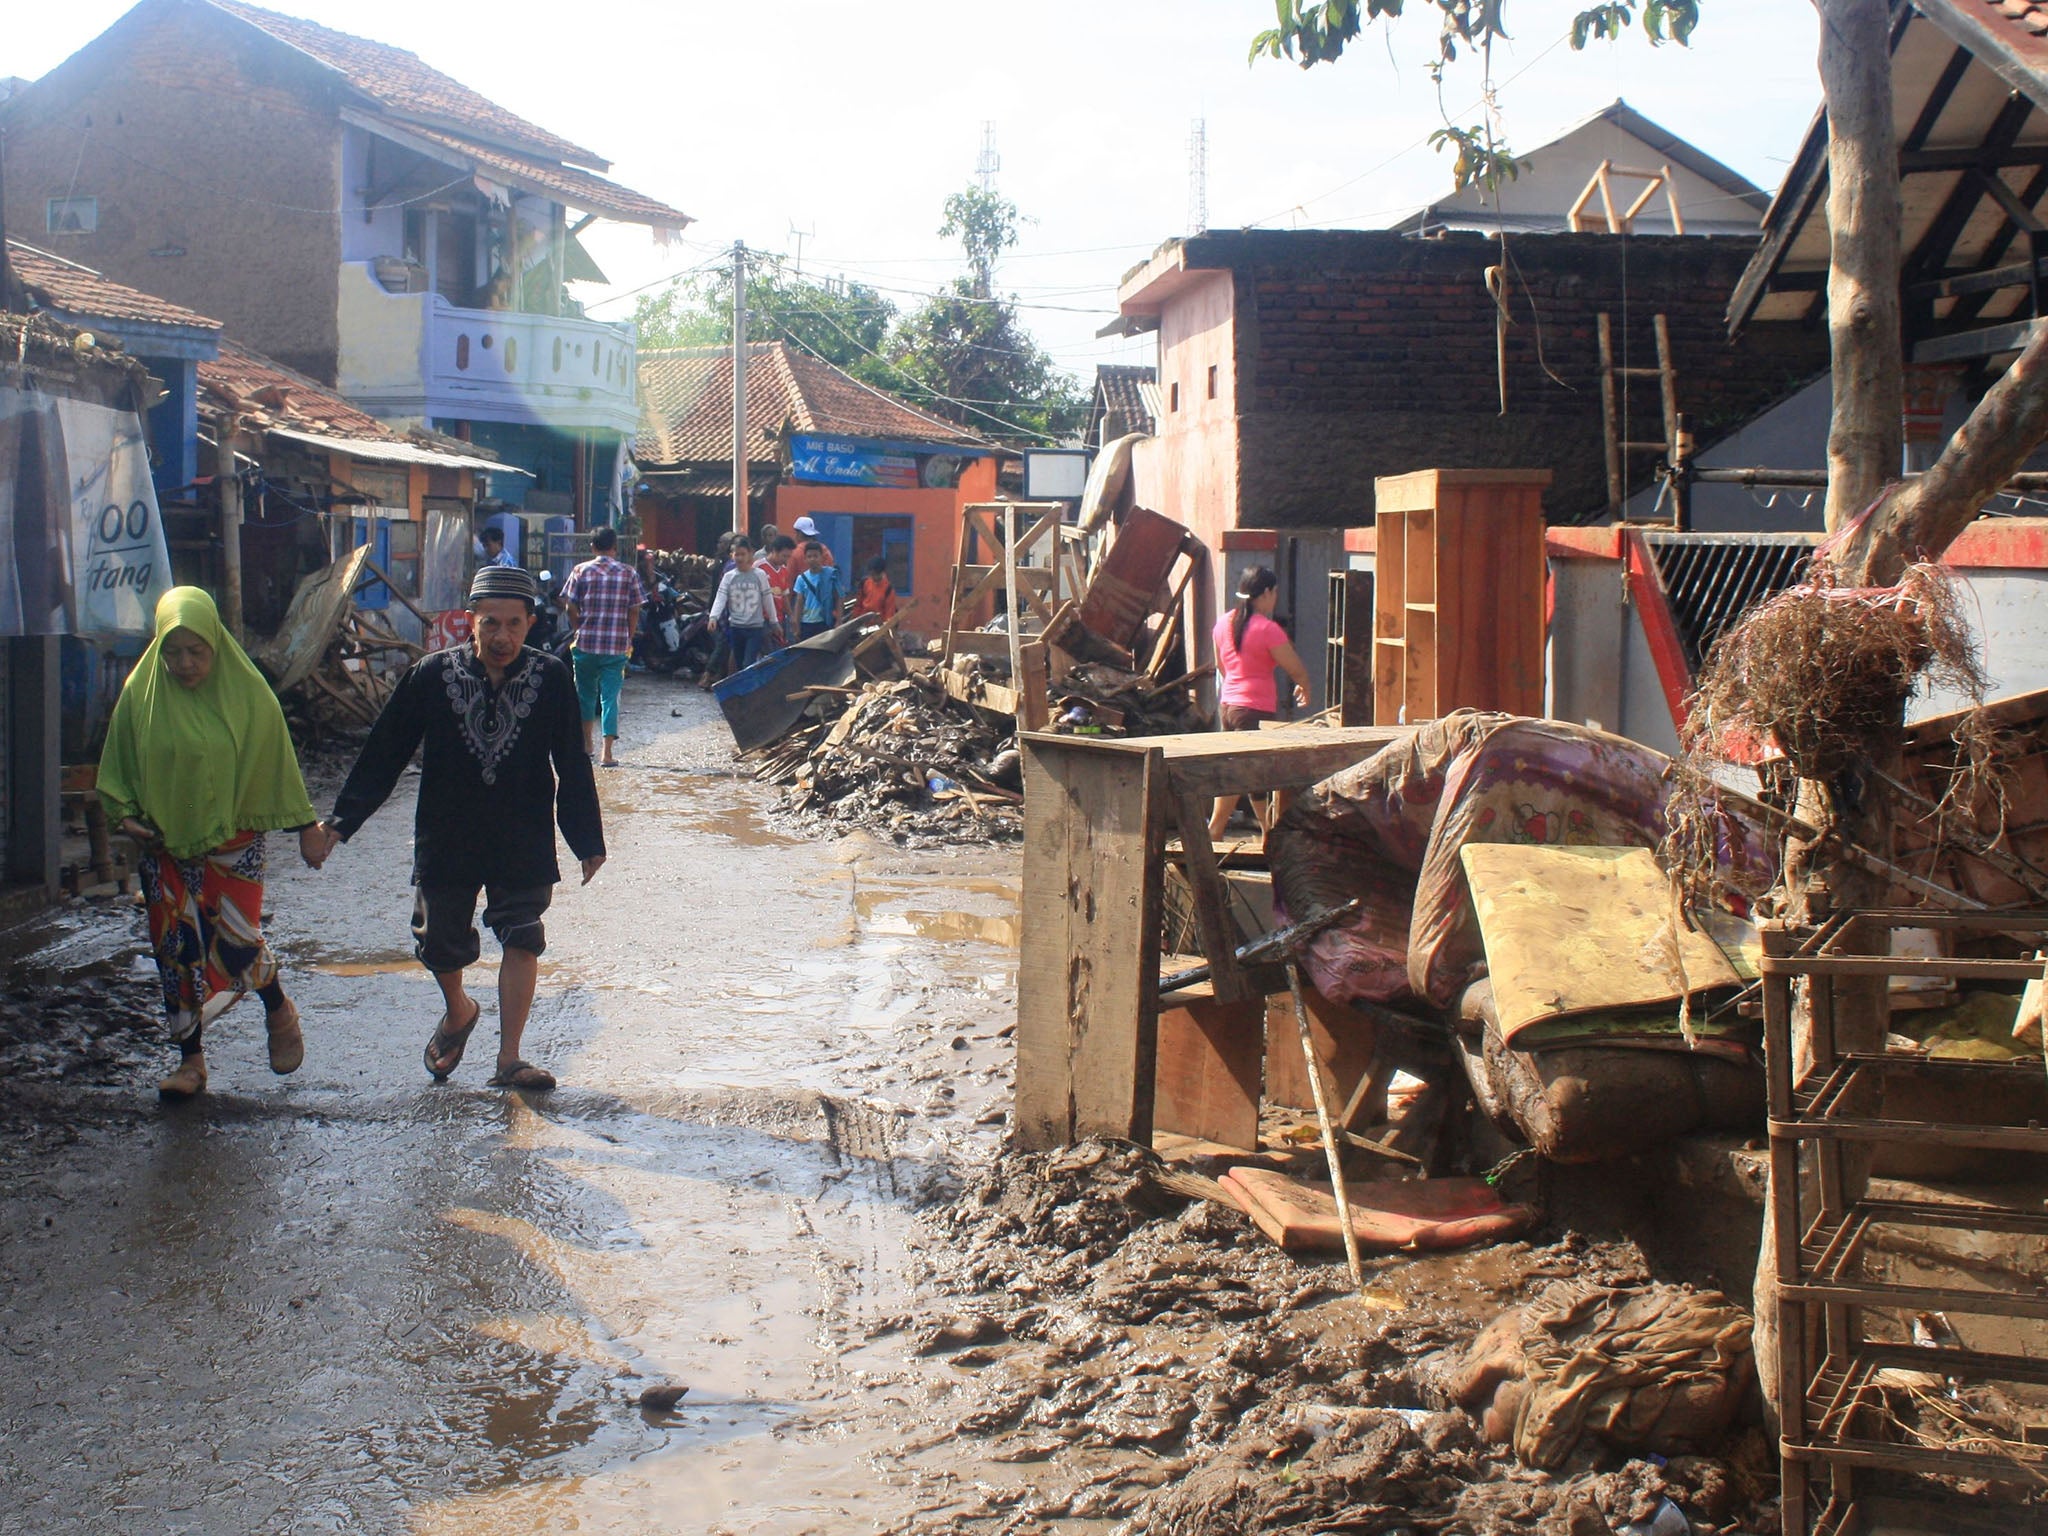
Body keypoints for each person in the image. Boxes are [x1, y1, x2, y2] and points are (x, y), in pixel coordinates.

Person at [307, 564, 604, 1093]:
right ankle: (459, 1010)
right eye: (490, 623)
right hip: (447, 830)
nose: (502, 636)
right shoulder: (432, 675)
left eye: (514, 624)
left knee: (522, 934)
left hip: (522, 830)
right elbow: (386, 751)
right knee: (439, 941)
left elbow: (572, 760)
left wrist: (586, 839)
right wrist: (340, 822)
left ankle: (509, 1058)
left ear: (531, 623)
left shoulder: (553, 677)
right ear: (469, 620)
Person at [97, 587, 327, 1100]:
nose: (183, 663)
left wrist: (305, 826)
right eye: (172, 651)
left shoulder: (248, 694)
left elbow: (275, 765)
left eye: (196, 651)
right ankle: (191, 1061)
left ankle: (277, 1007)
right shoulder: (142, 693)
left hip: (234, 838)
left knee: (237, 942)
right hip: (164, 844)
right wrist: (127, 818)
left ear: (216, 646)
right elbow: (119, 765)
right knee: (176, 949)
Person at [1208, 566, 1312, 838]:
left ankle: (1266, 832)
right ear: (1265, 593)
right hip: (1254, 709)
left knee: (1250, 773)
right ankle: (1215, 829)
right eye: (1275, 592)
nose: (1275, 597)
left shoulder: (1222, 624)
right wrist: (1305, 685)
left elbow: (1221, 666)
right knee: (1244, 772)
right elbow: (1294, 667)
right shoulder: (1267, 629)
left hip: (1228, 706)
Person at [560, 525, 646, 768]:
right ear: (615, 548)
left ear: (592, 547)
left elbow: (569, 606)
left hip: (586, 644)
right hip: (616, 647)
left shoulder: (580, 570)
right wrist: (628, 637)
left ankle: (587, 745)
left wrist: (578, 627)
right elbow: (635, 609)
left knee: (585, 696)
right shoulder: (628, 573)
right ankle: (607, 753)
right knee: (610, 698)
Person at [707, 538, 779, 672]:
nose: (739, 558)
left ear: (750, 555)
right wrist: (713, 617)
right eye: (737, 554)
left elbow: (767, 599)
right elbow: (721, 597)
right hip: (736, 627)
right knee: (739, 664)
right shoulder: (729, 577)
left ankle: (748, 691)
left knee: (748, 663)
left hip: (755, 628)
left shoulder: (760, 575)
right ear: (732, 556)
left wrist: (774, 622)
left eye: (743, 554)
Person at [792, 539, 846, 640]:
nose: (813, 559)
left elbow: (839, 597)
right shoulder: (801, 579)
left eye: (815, 556)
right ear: (805, 559)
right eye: (809, 556)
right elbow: (799, 602)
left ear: (821, 557)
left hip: (825, 622)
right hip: (807, 623)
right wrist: (797, 625)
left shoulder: (831, 575)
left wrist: (839, 620)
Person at [760, 534, 799, 645]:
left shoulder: (784, 571)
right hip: (763, 620)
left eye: (788, 557)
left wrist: (791, 616)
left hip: (779, 619)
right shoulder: (759, 567)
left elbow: (785, 596)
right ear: (774, 551)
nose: (786, 560)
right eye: (784, 556)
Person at [851, 555, 899, 624]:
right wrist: (855, 621)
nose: (873, 577)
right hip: (862, 624)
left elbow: (889, 613)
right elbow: (858, 604)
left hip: (878, 627)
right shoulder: (865, 583)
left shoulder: (888, 589)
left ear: (882, 572)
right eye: (871, 574)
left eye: (875, 574)